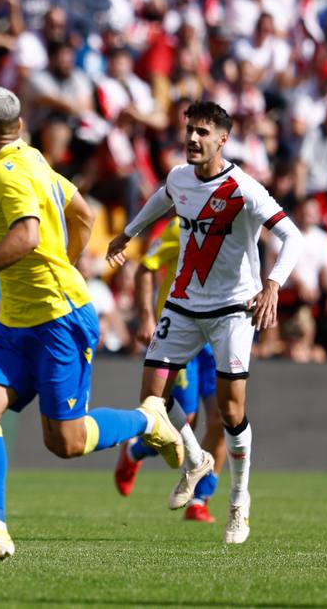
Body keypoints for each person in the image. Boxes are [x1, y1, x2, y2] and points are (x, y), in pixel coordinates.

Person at [0, 85, 181, 564]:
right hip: (16, 320)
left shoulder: (6, 174)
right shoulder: (34, 159)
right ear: (19, 127)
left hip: (57, 319)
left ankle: (150, 418)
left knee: (65, 442)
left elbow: (26, 236)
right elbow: (83, 213)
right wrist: (68, 261)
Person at [106, 100, 303, 545]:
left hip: (233, 309)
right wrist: (130, 232)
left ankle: (238, 501)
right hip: (182, 304)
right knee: (151, 400)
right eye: (189, 130)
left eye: (202, 132)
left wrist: (272, 284)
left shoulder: (244, 187)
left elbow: (293, 235)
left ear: (222, 139)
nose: (192, 139)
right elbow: (164, 196)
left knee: (231, 413)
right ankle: (195, 461)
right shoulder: (179, 178)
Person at [112, 217, 225, 524]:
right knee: (184, 419)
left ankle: (200, 499)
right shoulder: (181, 226)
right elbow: (146, 268)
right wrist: (148, 317)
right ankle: (135, 452)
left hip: (216, 336)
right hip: (181, 332)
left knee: (223, 418)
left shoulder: (237, 230)